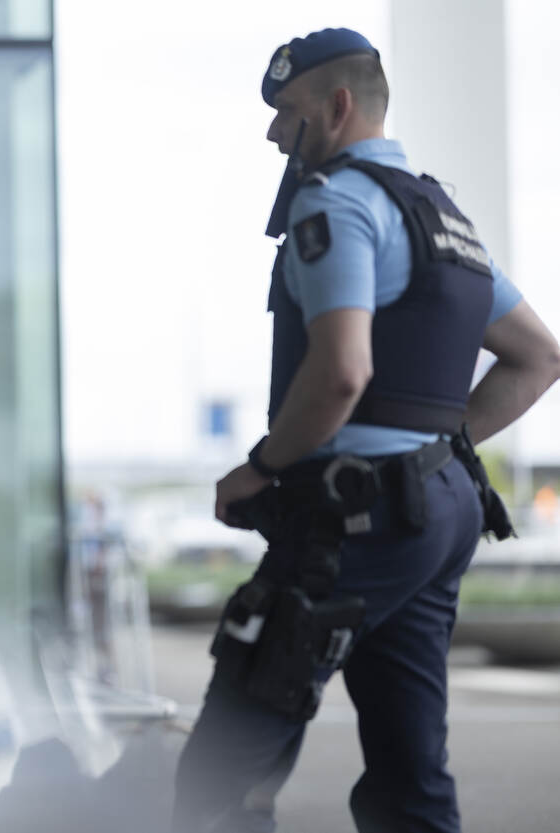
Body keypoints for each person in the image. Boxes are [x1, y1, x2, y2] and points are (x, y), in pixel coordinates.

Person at [172, 28, 560, 833]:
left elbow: (341, 371)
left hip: (356, 524)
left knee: (220, 768)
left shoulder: (338, 200)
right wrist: (440, 451)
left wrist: (259, 465)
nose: (275, 133)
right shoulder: (441, 213)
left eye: (286, 112)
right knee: (410, 778)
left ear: (339, 106)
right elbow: (539, 356)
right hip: (434, 516)